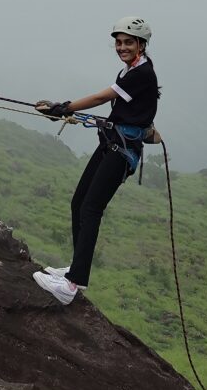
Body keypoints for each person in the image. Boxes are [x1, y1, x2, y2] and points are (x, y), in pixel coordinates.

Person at [33, 17, 159, 305]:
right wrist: (65, 110)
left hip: (121, 150)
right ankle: (76, 267)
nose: (122, 47)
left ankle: (72, 284)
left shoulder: (142, 74)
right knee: (79, 203)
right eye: (118, 42)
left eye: (128, 42)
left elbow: (103, 97)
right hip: (112, 143)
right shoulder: (131, 70)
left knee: (91, 208)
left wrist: (63, 107)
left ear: (141, 44)